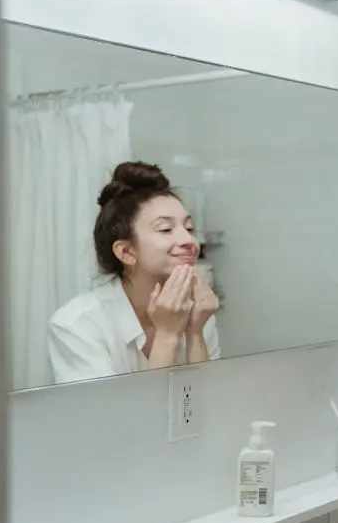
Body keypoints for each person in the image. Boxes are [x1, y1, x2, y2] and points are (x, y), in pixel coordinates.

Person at [48, 161, 220, 384]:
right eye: (166, 229)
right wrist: (167, 336)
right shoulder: (77, 325)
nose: (189, 241)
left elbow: (204, 406)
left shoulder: (198, 313)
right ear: (126, 252)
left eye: (189, 228)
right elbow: (121, 417)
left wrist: (195, 333)